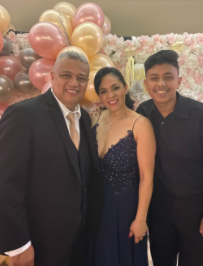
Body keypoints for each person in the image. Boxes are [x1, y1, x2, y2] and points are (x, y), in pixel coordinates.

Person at [0, 51, 102, 266]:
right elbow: (6, 185)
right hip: (37, 244)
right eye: (66, 75)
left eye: (81, 78)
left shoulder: (84, 118)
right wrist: (19, 245)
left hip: (78, 241)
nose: (74, 82)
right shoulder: (23, 115)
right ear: (52, 77)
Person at [136, 50, 203, 266]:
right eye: (154, 78)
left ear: (179, 80)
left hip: (196, 215)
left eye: (168, 77)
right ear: (146, 83)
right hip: (158, 214)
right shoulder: (142, 114)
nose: (161, 84)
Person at [85, 67, 156, 266]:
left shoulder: (140, 124)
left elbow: (147, 177)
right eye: (103, 91)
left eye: (115, 88)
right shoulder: (96, 118)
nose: (110, 95)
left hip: (125, 208)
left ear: (125, 88)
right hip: (96, 206)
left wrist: (141, 219)